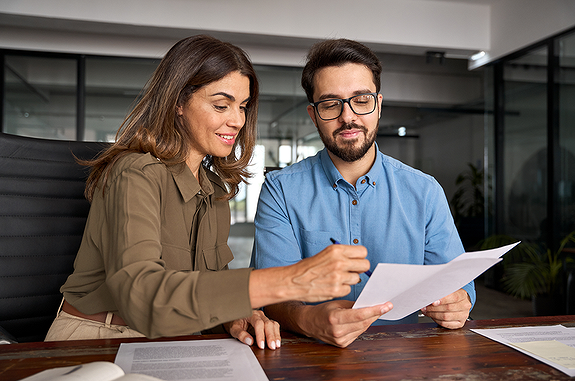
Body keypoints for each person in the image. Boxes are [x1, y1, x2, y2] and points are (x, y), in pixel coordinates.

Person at [45, 35, 372, 350]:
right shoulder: (134, 173)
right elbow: (143, 299)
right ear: (178, 103)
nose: (237, 120)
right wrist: (288, 281)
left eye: (242, 107)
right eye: (221, 105)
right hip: (97, 338)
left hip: (172, 339)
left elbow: (202, 292)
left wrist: (235, 316)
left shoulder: (214, 191)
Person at [251, 38, 475, 348]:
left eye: (361, 99)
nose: (347, 117)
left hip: (402, 359)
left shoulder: (424, 191)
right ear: (313, 115)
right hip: (308, 358)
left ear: (378, 105)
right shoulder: (281, 191)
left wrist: (459, 302)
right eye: (331, 104)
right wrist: (310, 320)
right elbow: (269, 295)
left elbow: (459, 284)